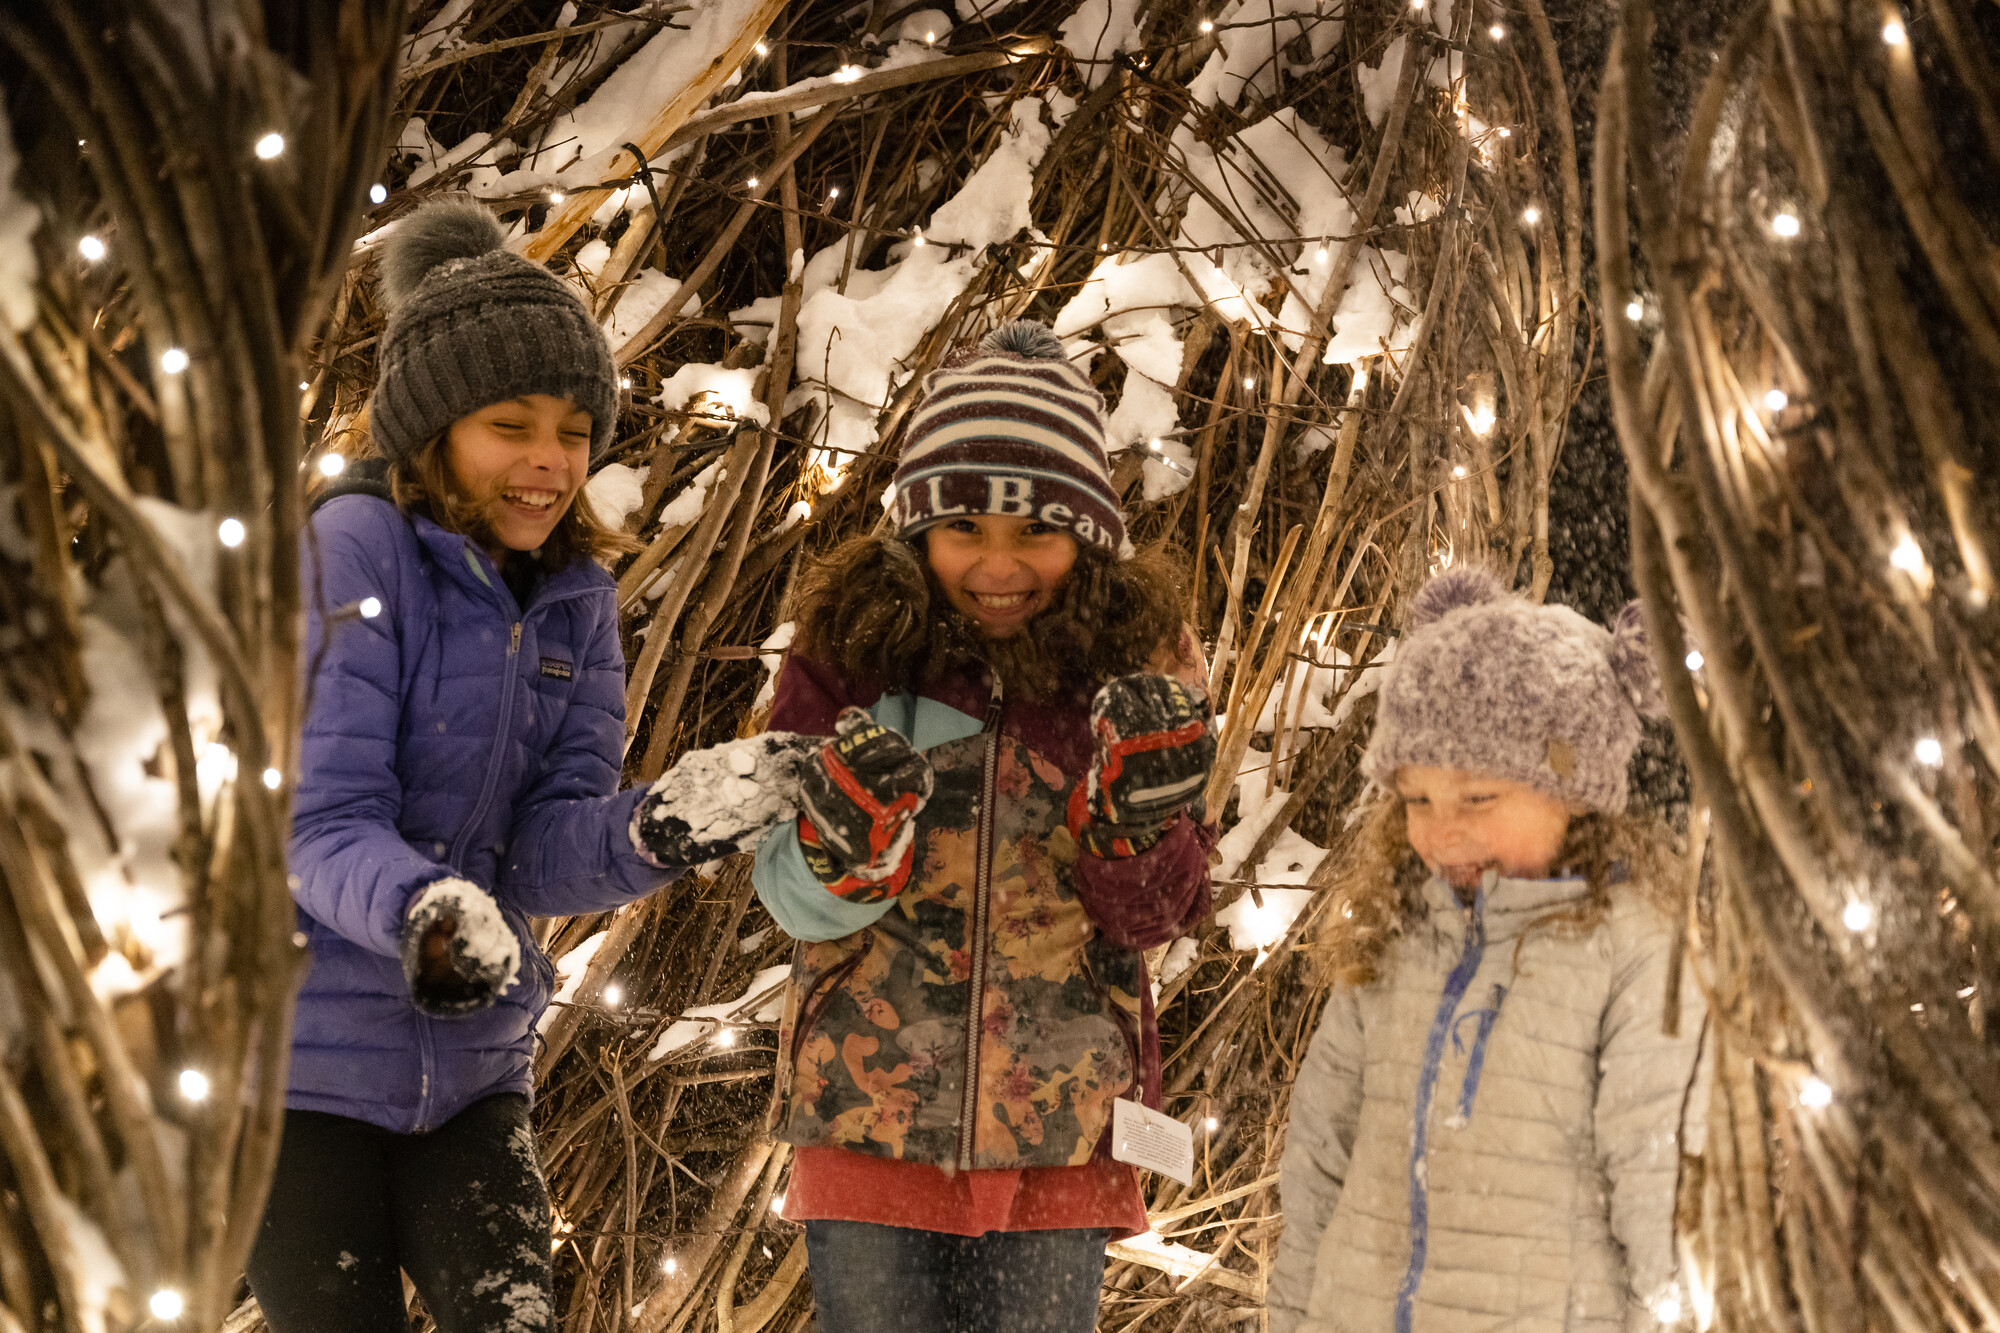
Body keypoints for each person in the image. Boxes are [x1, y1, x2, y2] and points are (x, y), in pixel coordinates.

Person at [633, 322, 1218, 1333]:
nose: (998, 564)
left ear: (1085, 533)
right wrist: (846, 850)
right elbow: (789, 898)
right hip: (866, 1122)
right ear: (917, 530)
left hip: (1060, 1130)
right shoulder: (855, 652)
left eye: (1032, 532)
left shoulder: (1138, 669)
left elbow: (1161, 915)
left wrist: (1129, 833)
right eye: (966, 532)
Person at [254, 197, 684, 1333]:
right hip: (303, 1076)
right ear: (432, 428)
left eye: (575, 430)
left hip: (476, 1074)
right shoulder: (354, 546)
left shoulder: (576, 597)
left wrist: (657, 830)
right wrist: (428, 910)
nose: (550, 461)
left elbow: (545, 846)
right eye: (510, 424)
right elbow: (317, 821)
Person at [1268, 568, 1709, 1333]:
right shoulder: (1397, 927)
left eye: (1478, 798)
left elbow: (1661, 1186)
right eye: (1417, 799)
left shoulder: (1636, 952)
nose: (1443, 830)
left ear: (1576, 790)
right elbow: (1318, 1159)